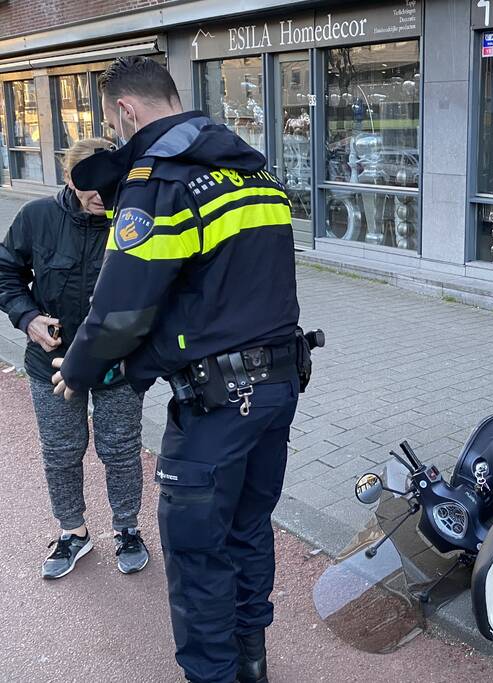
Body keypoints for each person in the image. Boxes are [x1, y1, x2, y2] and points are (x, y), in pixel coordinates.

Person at [51, 56, 302, 683]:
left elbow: (121, 311)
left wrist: (80, 370)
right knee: (248, 527)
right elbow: (219, 295)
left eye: (116, 123)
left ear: (126, 111)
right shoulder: (254, 172)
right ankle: (252, 662)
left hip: (217, 403)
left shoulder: (159, 183)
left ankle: (214, 675)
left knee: (195, 549)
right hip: (278, 386)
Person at [0, 138, 149, 579]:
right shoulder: (37, 217)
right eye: (91, 184)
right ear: (70, 178)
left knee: (121, 451)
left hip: (117, 366)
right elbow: (6, 271)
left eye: (112, 182)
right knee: (61, 452)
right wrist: (27, 318)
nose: (102, 194)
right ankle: (73, 532)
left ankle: (126, 528)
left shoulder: (133, 222)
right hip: (50, 363)